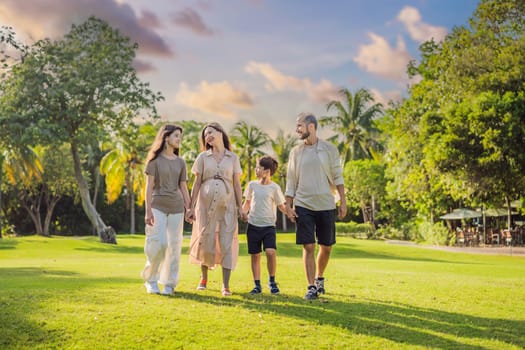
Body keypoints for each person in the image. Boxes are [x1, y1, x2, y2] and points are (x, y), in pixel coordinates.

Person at [285, 113, 347, 300]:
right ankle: (311, 286)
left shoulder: (329, 149)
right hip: (303, 204)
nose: (297, 130)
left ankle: (319, 277)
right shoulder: (296, 152)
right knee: (308, 246)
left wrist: (343, 201)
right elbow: (291, 180)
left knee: (326, 246)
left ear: (311, 127)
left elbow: (337, 176)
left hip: (326, 203)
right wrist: (288, 205)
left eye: (300, 126)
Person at [186, 122, 246, 296]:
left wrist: (241, 207)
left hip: (228, 206)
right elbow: (196, 183)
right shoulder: (203, 157)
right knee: (206, 238)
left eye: (211, 132)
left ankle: (225, 285)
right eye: (205, 135)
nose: (208, 136)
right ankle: (203, 278)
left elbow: (236, 184)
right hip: (204, 206)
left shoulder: (233, 158)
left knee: (227, 241)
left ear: (220, 132)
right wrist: (190, 206)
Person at [142, 124, 191, 295]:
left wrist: (189, 207)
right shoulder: (154, 161)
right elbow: (148, 188)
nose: (179, 139)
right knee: (159, 243)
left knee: (174, 246)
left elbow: (184, 187)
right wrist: (148, 211)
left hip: (177, 208)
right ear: (166, 137)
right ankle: (151, 280)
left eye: (180, 136)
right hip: (158, 206)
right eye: (176, 135)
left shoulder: (180, 162)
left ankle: (169, 283)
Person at [242, 156, 288, 295]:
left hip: (269, 226)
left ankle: (272, 281)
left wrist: (291, 213)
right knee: (255, 255)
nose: (256, 170)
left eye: (258, 168)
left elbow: (281, 206)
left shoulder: (274, 188)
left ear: (267, 171)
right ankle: (257, 285)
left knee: (270, 252)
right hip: (253, 225)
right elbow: (247, 203)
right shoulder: (252, 185)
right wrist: (243, 213)